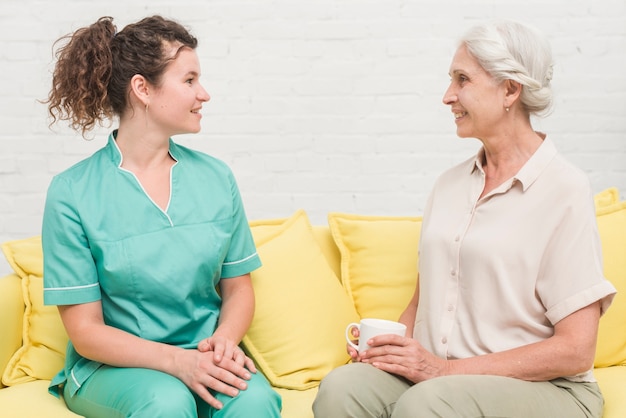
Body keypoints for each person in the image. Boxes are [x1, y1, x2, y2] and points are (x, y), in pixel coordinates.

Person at [313, 19, 617, 418]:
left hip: (544, 389)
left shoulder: (564, 189)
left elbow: (576, 349)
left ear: (510, 89)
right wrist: (391, 351)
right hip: (444, 380)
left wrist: (445, 371)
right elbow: (423, 301)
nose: (447, 96)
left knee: (427, 404)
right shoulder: (449, 185)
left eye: (462, 80)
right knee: (342, 388)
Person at [42, 15, 281, 418]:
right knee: (166, 402)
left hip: (204, 356)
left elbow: (238, 288)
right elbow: (86, 332)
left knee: (255, 401)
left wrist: (224, 340)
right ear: (142, 89)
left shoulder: (216, 177)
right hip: (116, 368)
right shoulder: (73, 193)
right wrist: (177, 364)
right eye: (189, 80)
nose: (203, 94)